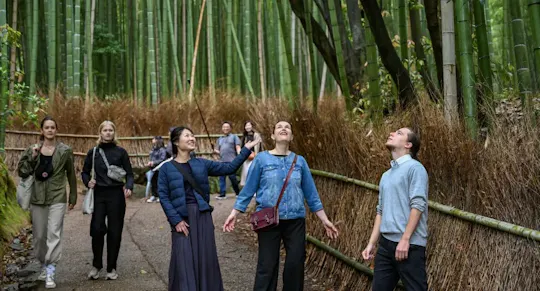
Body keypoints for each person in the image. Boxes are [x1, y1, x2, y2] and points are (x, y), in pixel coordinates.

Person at [223, 121, 339, 291]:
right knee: (267, 266)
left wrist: (325, 220)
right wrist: (234, 213)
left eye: (287, 127)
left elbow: (311, 194)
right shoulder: (262, 159)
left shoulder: (300, 161)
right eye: (279, 127)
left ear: (291, 136)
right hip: (268, 219)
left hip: (295, 220)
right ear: (272, 136)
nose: (283, 128)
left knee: (295, 265)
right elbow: (248, 189)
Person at [158, 126, 261, 291]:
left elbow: (229, 168)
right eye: (187, 136)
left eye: (193, 135)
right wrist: (176, 220)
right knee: (183, 259)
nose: (192, 138)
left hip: (202, 216)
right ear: (176, 142)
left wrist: (245, 150)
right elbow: (163, 196)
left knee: (206, 258)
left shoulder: (201, 164)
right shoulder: (166, 168)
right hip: (182, 218)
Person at [361, 127, 429, 291]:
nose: (391, 133)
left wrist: (405, 239)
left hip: (409, 246)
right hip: (385, 246)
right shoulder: (386, 175)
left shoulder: (416, 168)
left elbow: (418, 205)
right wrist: (371, 243)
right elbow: (381, 211)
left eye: (399, 133)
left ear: (408, 144)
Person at [17, 116, 77, 289]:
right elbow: (22, 171)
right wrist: (32, 158)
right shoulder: (32, 149)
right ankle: (43, 264)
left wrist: (73, 195)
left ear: (56, 130)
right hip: (37, 197)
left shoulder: (65, 151)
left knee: (54, 233)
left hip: (57, 196)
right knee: (39, 236)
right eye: (47, 127)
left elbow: (71, 173)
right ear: (42, 130)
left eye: (53, 127)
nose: (50, 130)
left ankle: (51, 269)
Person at [81, 120, 134, 280]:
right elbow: (84, 172)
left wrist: (129, 186)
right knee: (97, 229)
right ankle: (96, 265)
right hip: (99, 194)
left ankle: (111, 267)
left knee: (114, 232)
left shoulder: (121, 152)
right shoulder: (94, 152)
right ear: (100, 133)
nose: (108, 132)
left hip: (116, 195)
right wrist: (87, 182)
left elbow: (130, 173)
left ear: (114, 133)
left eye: (111, 130)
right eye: (105, 130)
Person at [214, 121, 241, 199]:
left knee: (232, 177)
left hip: (232, 161)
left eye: (227, 127)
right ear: (222, 129)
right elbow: (216, 150)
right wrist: (216, 151)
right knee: (221, 178)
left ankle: (237, 193)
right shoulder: (219, 139)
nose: (225, 128)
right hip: (221, 161)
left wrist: (240, 154)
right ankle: (222, 194)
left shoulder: (234, 137)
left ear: (230, 128)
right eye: (224, 127)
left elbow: (238, 147)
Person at [239, 121, 262, 187]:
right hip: (246, 157)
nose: (247, 127)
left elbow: (259, 146)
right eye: (246, 126)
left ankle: (255, 189)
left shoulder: (256, 135)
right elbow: (242, 146)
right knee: (246, 173)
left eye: (249, 125)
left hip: (255, 156)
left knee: (254, 173)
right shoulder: (244, 136)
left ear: (252, 126)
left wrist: (257, 155)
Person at [147, 136, 167, 203]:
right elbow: (151, 157)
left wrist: (154, 162)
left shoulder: (162, 150)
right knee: (153, 182)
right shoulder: (153, 149)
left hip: (159, 168)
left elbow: (162, 159)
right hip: (152, 169)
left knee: (159, 183)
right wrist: (150, 162)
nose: (152, 140)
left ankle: (160, 196)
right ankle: (153, 195)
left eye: (154, 139)